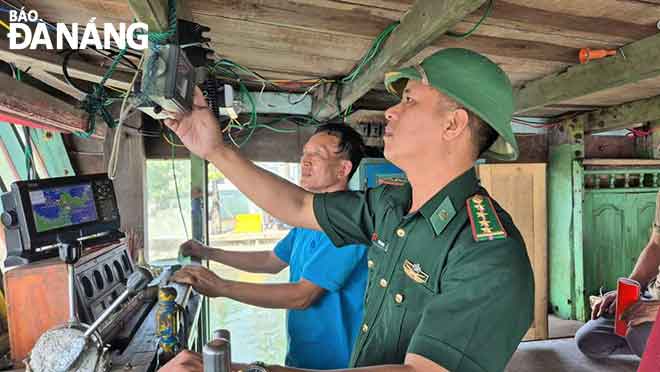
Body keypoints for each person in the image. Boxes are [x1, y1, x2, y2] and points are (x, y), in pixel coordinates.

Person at [165, 48, 534, 372]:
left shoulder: (488, 252)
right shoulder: (389, 205)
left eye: (409, 100)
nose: (390, 110)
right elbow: (297, 205)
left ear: (452, 125)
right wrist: (214, 149)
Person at [174, 124, 369, 369]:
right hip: (301, 357)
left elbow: (302, 295)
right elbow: (270, 261)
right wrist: (208, 252)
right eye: (304, 154)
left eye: (317, 155)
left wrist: (222, 286)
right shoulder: (310, 220)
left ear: (343, 169)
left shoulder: (350, 224)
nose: (305, 162)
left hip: (336, 363)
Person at [576, 190, 660, 358]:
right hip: (653, 296)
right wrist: (628, 291)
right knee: (590, 340)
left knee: (639, 335)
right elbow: (656, 246)